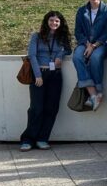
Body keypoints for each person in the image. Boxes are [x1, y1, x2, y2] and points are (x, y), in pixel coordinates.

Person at [20, 11, 71, 151]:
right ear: (46, 21)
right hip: (39, 74)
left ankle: (42, 138)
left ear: (60, 23)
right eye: (51, 20)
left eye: (57, 21)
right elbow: (32, 55)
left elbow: (68, 50)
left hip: (55, 75)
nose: (54, 23)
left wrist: (60, 55)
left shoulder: (62, 37)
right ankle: (28, 139)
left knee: (51, 108)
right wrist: (38, 75)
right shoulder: (36, 36)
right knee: (36, 108)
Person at [72, 0, 107, 111]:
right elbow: (78, 31)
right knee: (77, 57)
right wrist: (87, 44)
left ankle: (99, 90)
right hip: (85, 43)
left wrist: (94, 45)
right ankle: (93, 93)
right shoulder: (81, 11)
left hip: (102, 43)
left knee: (96, 57)